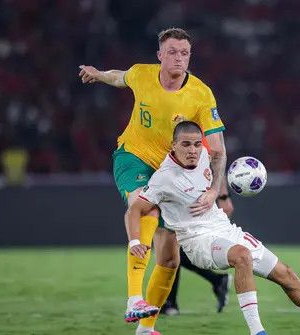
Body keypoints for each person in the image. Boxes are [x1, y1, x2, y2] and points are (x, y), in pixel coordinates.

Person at [127, 121, 300, 335]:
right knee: (241, 257)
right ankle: (257, 331)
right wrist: (135, 242)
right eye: (186, 145)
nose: (192, 150)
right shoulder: (164, 178)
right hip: (197, 240)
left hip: (224, 228)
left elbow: (218, 156)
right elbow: (134, 210)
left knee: (285, 273)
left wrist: (215, 192)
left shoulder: (203, 155)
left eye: (196, 144)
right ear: (173, 146)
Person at [78, 28, 231, 334]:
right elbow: (118, 76)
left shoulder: (201, 94)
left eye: (184, 53)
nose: (178, 58)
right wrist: (97, 74)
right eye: (172, 52)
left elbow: (217, 149)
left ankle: (145, 329)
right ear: (160, 55)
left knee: (171, 260)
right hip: (133, 157)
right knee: (145, 208)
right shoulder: (143, 74)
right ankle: (134, 298)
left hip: (169, 172)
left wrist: (216, 190)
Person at [161, 195, 233, 316]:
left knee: (172, 249)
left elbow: (218, 175)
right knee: (173, 250)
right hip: (180, 195)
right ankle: (170, 302)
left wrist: (223, 197)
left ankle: (170, 304)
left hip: (187, 197)